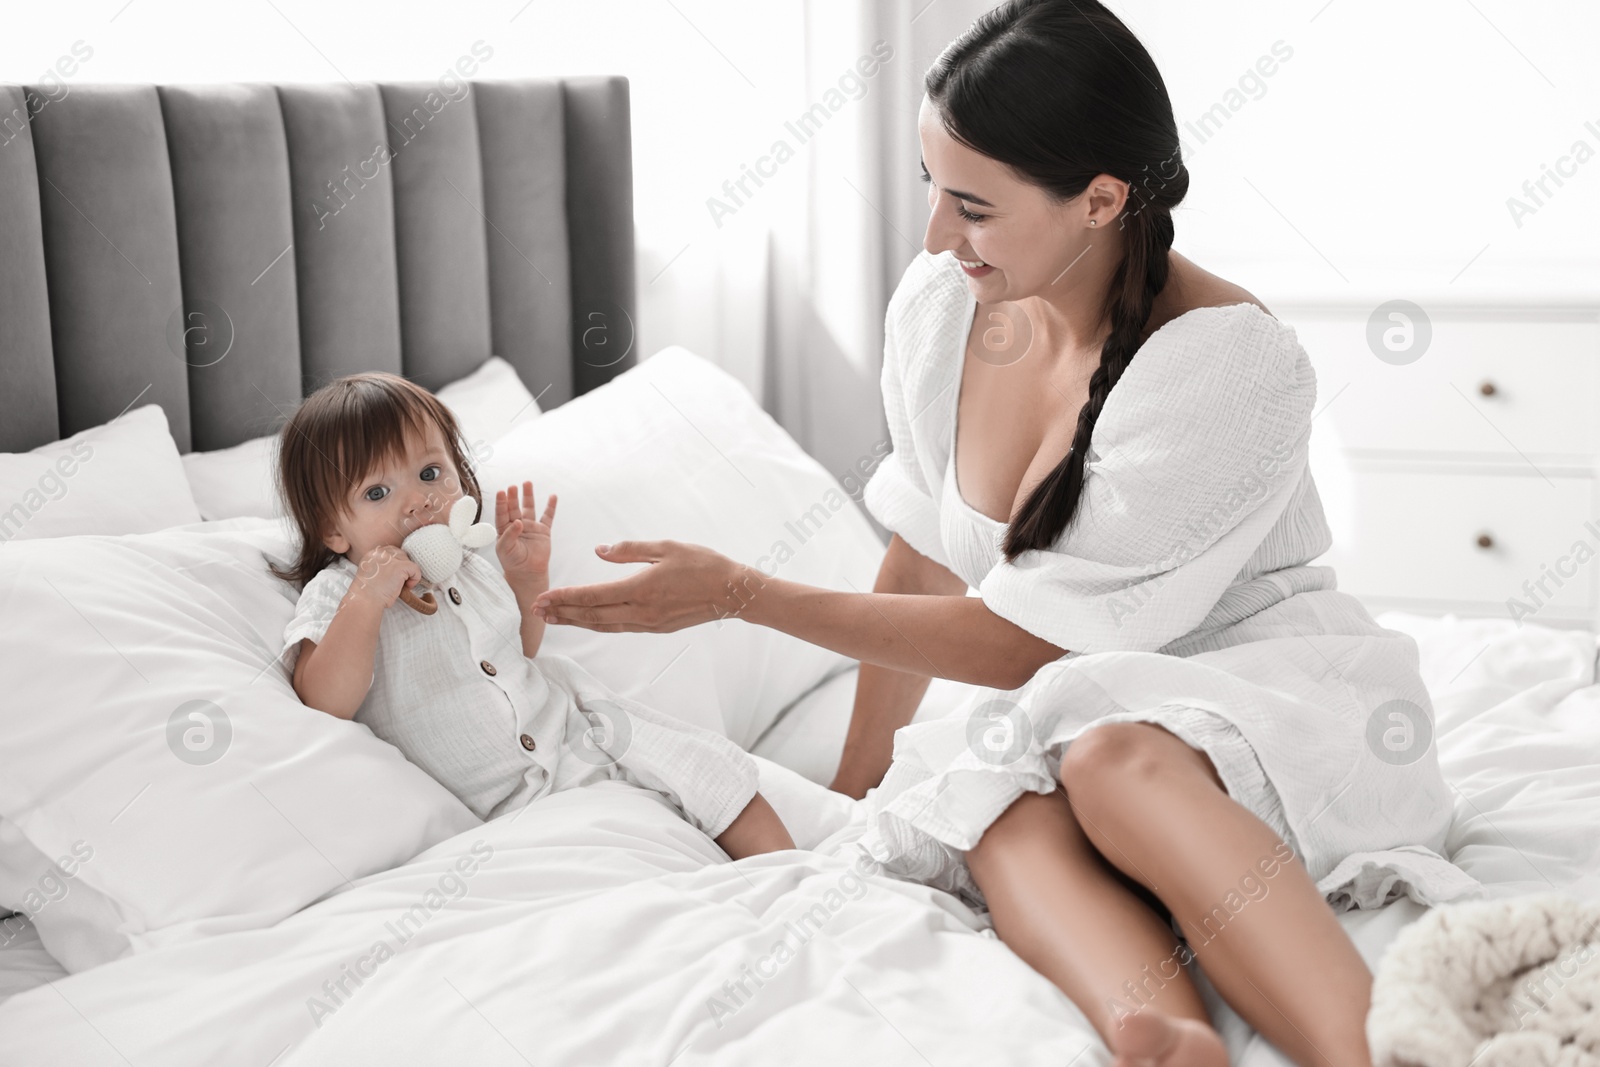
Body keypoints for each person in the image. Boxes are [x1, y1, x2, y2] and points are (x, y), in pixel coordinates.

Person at [530, 2, 1482, 1063]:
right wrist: (862, 778)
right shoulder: (940, 306)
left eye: (972, 205)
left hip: (1262, 687)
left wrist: (743, 592)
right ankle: (1159, 1032)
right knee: (990, 799)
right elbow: (926, 552)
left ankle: (1371, 1053)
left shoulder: (1225, 364)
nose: (936, 234)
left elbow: (1038, 640)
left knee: (1112, 754)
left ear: (1101, 199)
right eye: (930, 185)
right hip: (1069, 705)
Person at [268, 371, 794, 861]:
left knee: (705, 769)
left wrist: (524, 581)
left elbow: (519, 650)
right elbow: (323, 700)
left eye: (431, 473)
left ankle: (790, 871)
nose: (419, 501)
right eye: (378, 492)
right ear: (333, 532)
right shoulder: (339, 591)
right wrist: (366, 599)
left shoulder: (470, 566)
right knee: (620, 849)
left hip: (574, 740)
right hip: (500, 805)